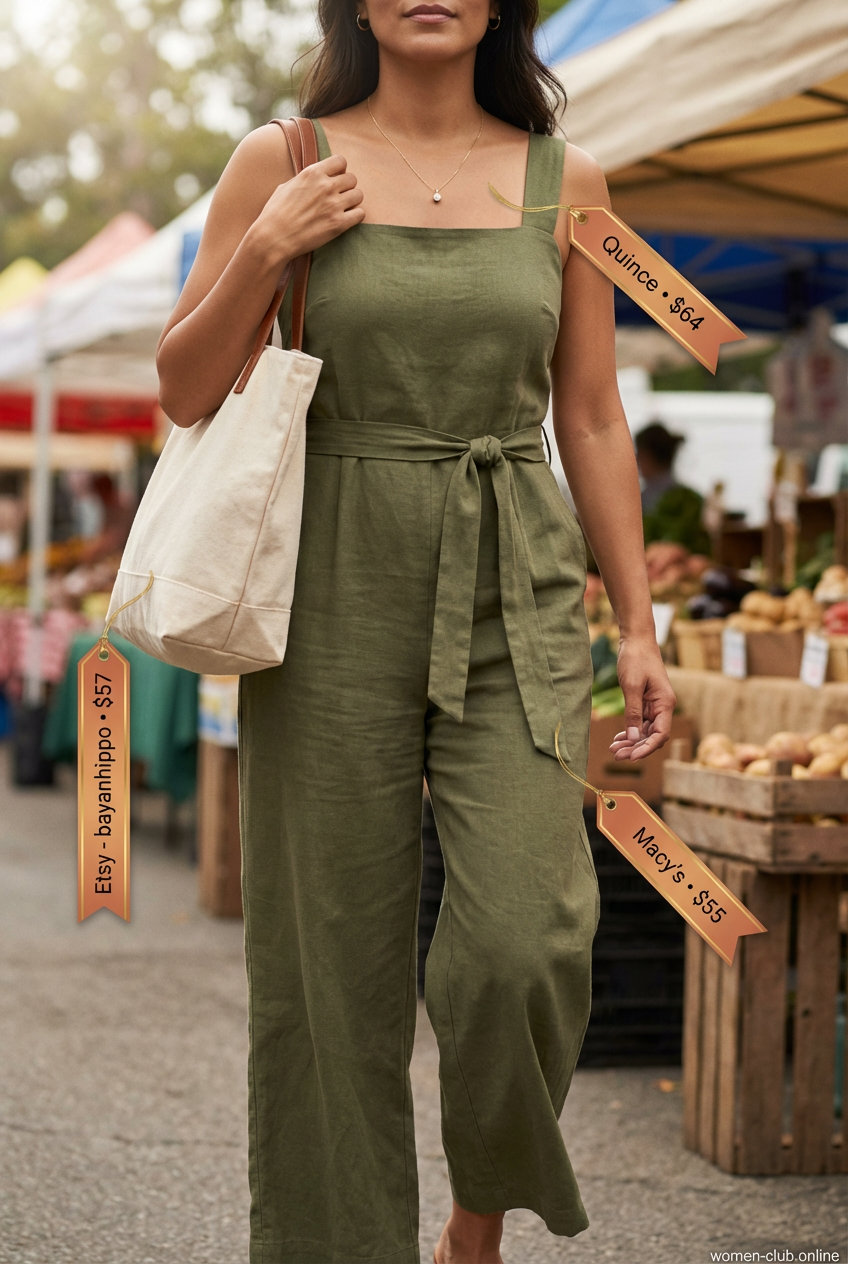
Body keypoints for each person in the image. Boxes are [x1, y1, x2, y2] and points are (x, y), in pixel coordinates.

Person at [155, 0, 676, 1259]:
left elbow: (594, 416)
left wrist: (640, 624)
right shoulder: (279, 162)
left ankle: (474, 1220)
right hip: (327, 576)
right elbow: (181, 390)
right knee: (327, 959)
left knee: (525, 939)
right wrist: (264, 251)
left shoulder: (572, 180)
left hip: (517, 568)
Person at [634, 420, 710, 553]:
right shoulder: (692, 498)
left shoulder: (642, 499)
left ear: (648, 455)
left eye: (638, 454)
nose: (635, 459)